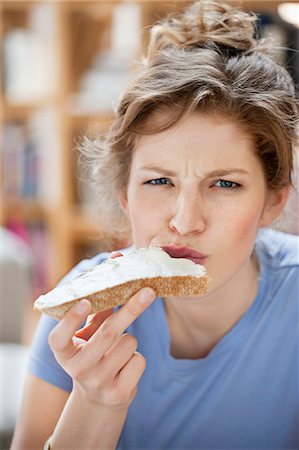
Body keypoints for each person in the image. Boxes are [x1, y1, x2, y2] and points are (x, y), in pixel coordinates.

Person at [11, 1, 298, 449]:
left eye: (224, 183)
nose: (184, 221)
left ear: (273, 200)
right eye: (159, 181)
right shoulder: (82, 312)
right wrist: (95, 404)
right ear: (124, 195)